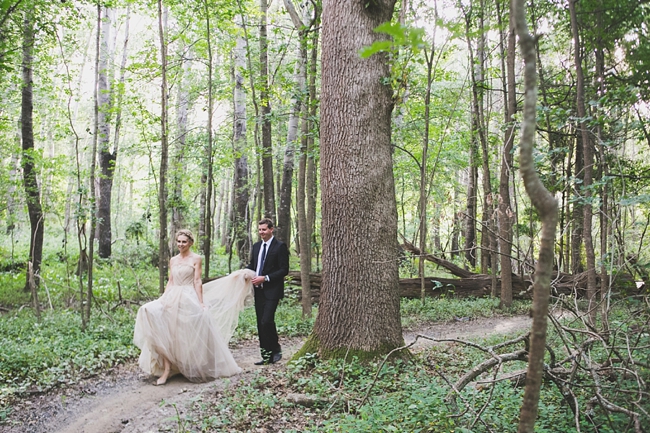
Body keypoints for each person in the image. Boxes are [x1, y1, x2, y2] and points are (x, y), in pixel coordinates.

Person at [133, 229, 255, 385]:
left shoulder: (196, 258)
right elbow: (170, 281)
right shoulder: (173, 260)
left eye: (184, 242)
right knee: (149, 312)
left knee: (189, 328)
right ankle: (167, 369)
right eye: (178, 241)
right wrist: (163, 298)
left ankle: (192, 364)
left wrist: (201, 302)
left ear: (190, 243)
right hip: (172, 294)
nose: (181, 244)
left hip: (188, 295)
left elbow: (197, 281)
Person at [247, 218, 290, 365]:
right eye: (259, 230)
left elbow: (284, 269)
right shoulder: (257, 246)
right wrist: (243, 274)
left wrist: (265, 278)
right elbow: (253, 265)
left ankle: (276, 349)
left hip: (272, 290)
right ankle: (266, 355)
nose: (261, 232)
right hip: (258, 291)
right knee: (260, 323)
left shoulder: (280, 247)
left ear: (271, 229)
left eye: (264, 229)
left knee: (267, 321)